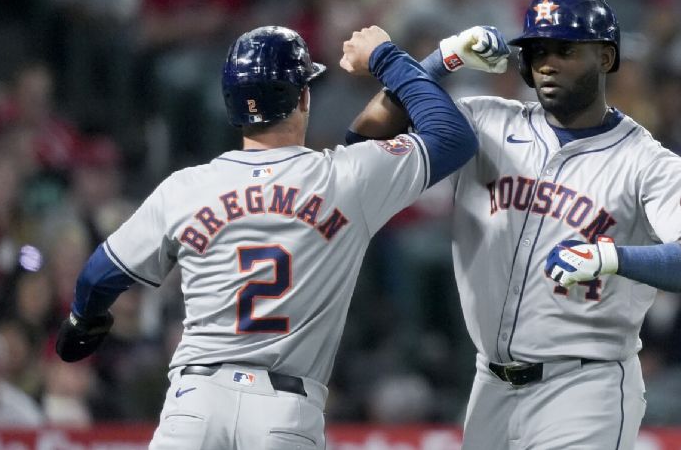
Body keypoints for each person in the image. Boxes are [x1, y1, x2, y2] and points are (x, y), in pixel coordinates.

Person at [54, 24, 477, 449]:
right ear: (304, 98)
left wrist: (83, 321)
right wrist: (393, 58)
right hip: (284, 409)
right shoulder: (343, 178)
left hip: (196, 403)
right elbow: (451, 136)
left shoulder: (186, 188)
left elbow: (98, 276)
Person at [348, 0, 681, 449]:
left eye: (565, 49)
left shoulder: (648, 162)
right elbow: (363, 145)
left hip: (583, 388)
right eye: (537, 50)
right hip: (489, 384)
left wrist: (614, 258)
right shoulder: (484, 120)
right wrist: (441, 59)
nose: (547, 63)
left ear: (606, 57)